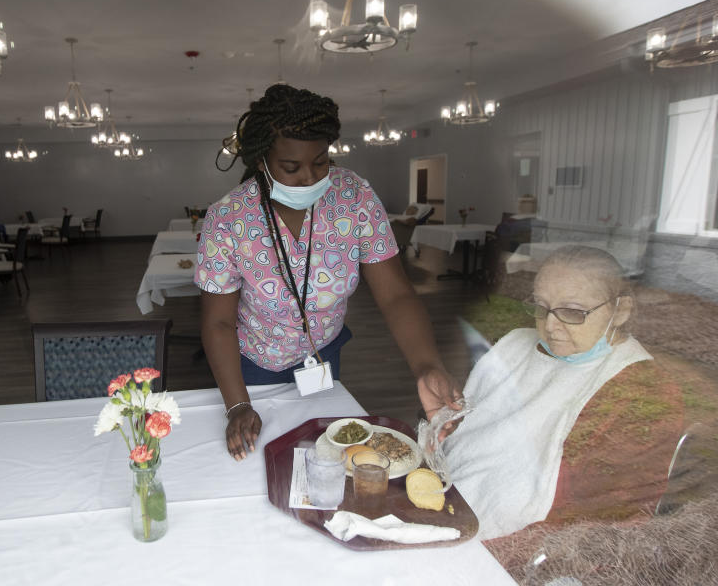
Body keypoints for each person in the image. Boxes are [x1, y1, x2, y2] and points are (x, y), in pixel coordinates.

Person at [195, 84, 462, 461]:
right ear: (260, 161)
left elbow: (396, 294)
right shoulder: (228, 218)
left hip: (323, 356)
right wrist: (238, 405)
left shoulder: (355, 198)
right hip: (253, 364)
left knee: (323, 454)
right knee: (260, 459)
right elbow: (219, 321)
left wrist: (427, 366)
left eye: (320, 161)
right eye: (291, 167)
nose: (310, 178)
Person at [443, 245, 683, 541]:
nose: (551, 326)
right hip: (446, 497)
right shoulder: (516, 344)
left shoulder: (641, 393)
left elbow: (603, 520)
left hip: (515, 539)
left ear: (621, 310)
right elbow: (469, 428)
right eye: (541, 308)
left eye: (572, 312)